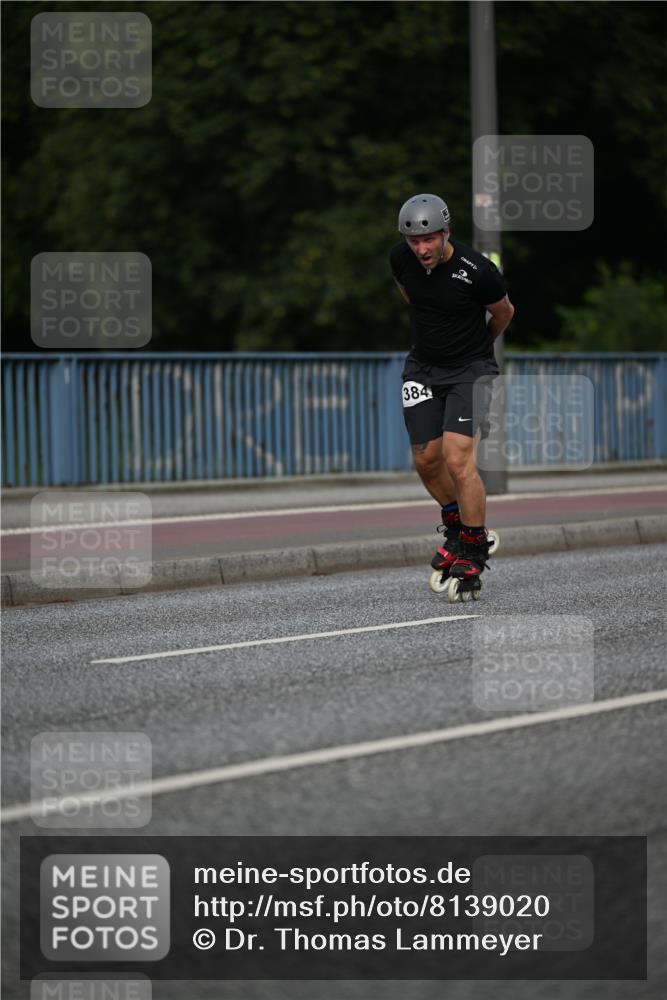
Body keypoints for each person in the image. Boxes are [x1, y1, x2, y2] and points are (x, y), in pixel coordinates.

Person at [390, 192, 514, 594]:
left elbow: (504, 313)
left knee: (457, 458)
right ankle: (458, 528)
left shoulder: (477, 270)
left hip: (469, 370)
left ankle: (474, 548)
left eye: (430, 239)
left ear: (447, 233)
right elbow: (413, 299)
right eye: (414, 241)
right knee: (426, 459)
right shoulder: (400, 259)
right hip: (422, 368)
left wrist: (480, 348)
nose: (422, 248)